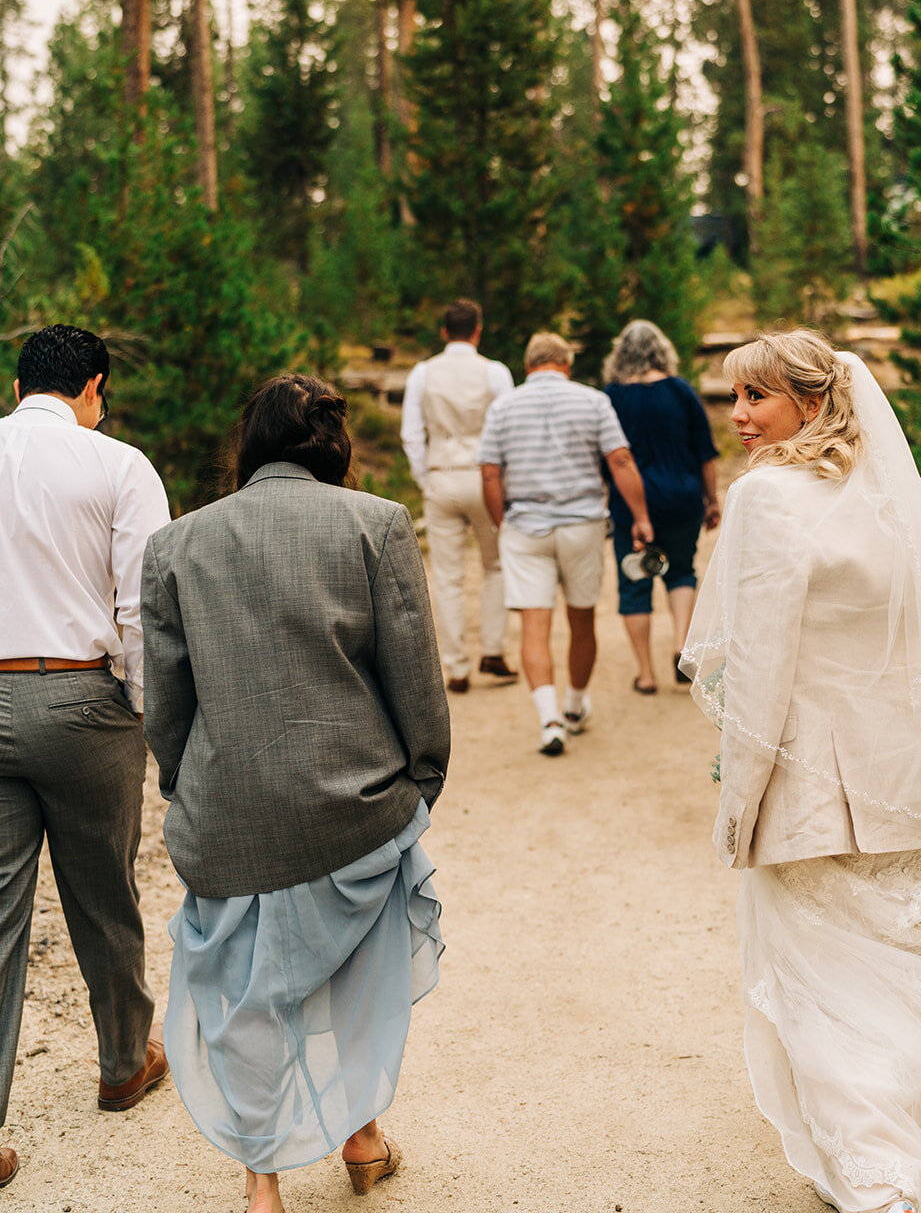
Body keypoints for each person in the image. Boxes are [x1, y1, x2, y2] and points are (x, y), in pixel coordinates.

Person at [680, 329, 921, 1213]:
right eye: (731, 399)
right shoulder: (907, 498)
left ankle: (880, 1180)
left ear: (814, 401)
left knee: (826, 987)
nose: (737, 417)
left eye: (755, 397)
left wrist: (739, 801)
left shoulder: (765, 504)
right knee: (907, 980)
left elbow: (757, 666)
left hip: (817, 792)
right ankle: (887, 1159)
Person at [141, 374, 449, 1213]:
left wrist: (190, 786)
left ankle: (261, 1185)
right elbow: (414, 680)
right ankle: (360, 1139)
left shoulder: (176, 544)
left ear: (249, 447)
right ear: (332, 446)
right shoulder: (377, 524)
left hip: (228, 808)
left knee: (244, 994)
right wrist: (418, 782)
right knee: (355, 972)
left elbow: (166, 704)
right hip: (355, 804)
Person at [0, 324, 172, 1188]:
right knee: (105, 892)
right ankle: (120, 1063)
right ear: (93, 388)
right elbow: (143, 606)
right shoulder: (118, 465)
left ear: (18, 380)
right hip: (79, 698)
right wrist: (145, 709)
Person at [479, 332, 654, 755]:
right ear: (566, 364)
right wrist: (642, 518)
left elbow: (489, 473)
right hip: (582, 524)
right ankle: (574, 706)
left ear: (528, 366)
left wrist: (505, 525)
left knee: (534, 627)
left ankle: (549, 720)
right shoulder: (593, 400)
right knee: (581, 620)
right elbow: (620, 459)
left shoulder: (503, 407)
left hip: (526, 526)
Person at [401, 297, 518, 693]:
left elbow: (412, 434)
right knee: (495, 566)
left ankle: (456, 667)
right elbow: (508, 431)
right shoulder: (495, 373)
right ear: (478, 331)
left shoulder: (422, 373)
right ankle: (493, 650)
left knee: (448, 577)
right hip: (485, 478)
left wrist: (426, 477)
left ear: (444, 332)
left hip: (442, 475)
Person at [602, 319, 721, 694]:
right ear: (662, 350)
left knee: (634, 581)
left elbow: (606, 457)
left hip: (630, 504)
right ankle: (681, 645)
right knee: (681, 571)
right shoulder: (681, 391)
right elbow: (705, 453)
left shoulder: (611, 397)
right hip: (682, 498)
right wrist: (712, 499)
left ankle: (646, 674)